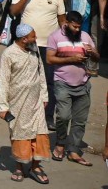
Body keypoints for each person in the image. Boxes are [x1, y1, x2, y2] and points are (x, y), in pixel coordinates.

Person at [0, 23, 50, 184]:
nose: (36, 39)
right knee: (20, 135)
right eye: (33, 36)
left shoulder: (34, 50)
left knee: (40, 133)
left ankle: (36, 167)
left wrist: (44, 96)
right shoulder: (9, 54)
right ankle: (19, 167)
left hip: (36, 101)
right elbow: (4, 81)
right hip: (18, 103)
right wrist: (3, 106)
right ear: (23, 39)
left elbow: (41, 73)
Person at [45, 10, 96, 166]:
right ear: (66, 23)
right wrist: (72, 58)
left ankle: (73, 150)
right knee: (64, 116)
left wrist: (93, 52)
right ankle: (60, 143)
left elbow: (96, 57)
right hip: (62, 83)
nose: (77, 30)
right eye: (74, 27)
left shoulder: (85, 36)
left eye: (79, 27)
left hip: (83, 83)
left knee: (80, 120)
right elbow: (49, 59)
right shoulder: (55, 37)